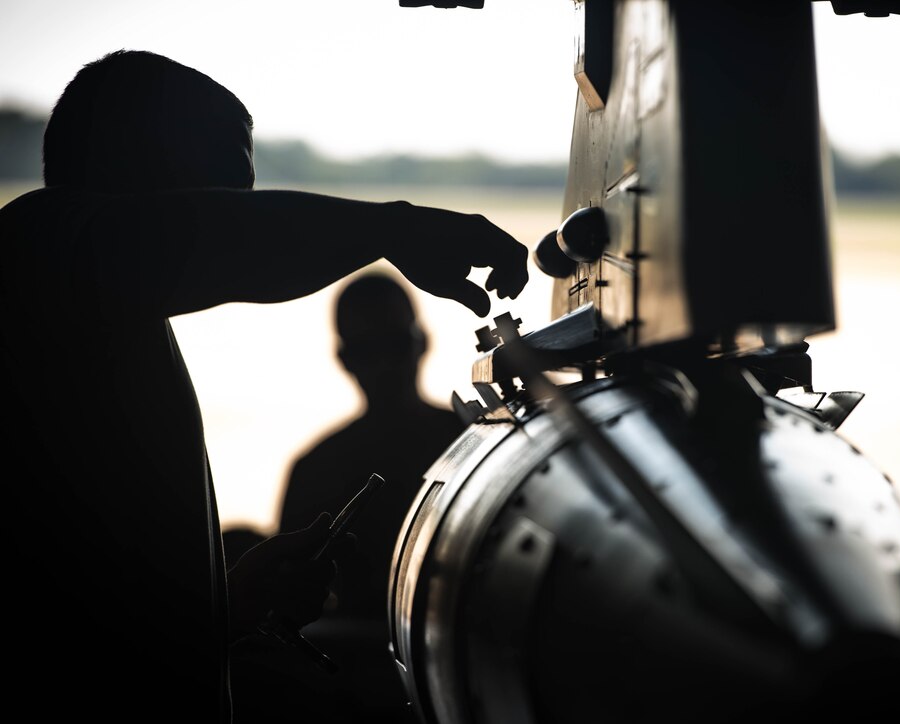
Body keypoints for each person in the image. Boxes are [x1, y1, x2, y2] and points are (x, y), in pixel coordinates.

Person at [0, 49, 528, 723]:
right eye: (222, 186)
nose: (241, 207)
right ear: (140, 161)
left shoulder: (105, 320)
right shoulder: (34, 243)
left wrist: (232, 602)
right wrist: (394, 225)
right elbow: (212, 239)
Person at [271, 273, 465, 721]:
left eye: (393, 345)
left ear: (420, 344)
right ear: (345, 359)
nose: (384, 365)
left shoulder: (314, 467)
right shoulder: (471, 441)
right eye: (366, 350)